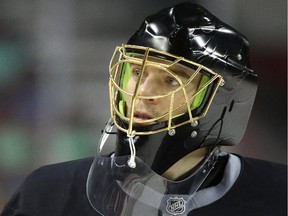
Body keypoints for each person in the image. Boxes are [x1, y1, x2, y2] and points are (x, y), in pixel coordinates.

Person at [1, 2, 286, 216]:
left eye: (171, 79)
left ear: (222, 99)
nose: (143, 93)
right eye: (137, 73)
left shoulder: (279, 195)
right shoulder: (46, 194)